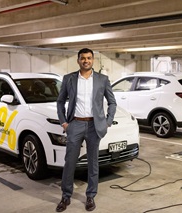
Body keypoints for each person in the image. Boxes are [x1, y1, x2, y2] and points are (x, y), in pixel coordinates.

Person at [56, 48, 117, 212]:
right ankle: (65, 196)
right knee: (70, 162)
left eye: (89, 58)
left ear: (93, 60)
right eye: (83, 58)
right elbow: (60, 102)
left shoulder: (102, 79)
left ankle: (90, 196)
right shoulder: (69, 79)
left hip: (94, 126)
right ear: (78, 60)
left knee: (93, 163)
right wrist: (64, 122)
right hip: (75, 124)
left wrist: (107, 122)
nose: (86, 61)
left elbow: (112, 102)